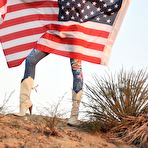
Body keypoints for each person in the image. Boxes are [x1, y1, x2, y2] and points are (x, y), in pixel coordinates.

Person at [14, 48, 83, 126]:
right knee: (30, 59)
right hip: (55, 36)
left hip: (74, 40)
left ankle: (74, 116)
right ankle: (25, 103)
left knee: (77, 73)